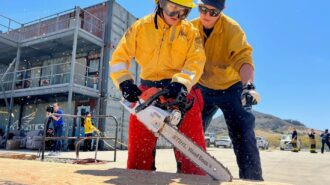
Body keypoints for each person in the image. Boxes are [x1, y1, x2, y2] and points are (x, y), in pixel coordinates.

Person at [110, 0, 206, 175]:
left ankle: (195, 175)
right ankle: (139, 175)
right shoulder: (141, 27)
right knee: (138, 149)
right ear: (160, 4)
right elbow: (119, 58)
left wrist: (182, 83)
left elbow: (196, 61)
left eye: (183, 12)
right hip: (148, 89)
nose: (177, 16)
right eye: (172, 9)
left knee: (194, 154)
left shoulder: (190, 32)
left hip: (181, 88)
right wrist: (124, 82)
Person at [191, 0, 263, 181]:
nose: (207, 15)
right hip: (202, 86)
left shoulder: (233, 29)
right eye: (203, 9)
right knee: (189, 133)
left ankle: (251, 179)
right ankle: (189, 174)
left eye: (213, 12)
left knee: (243, 132)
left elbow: (243, 59)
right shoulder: (190, 29)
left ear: (222, 11)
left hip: (232, 87)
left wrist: (248, 87)